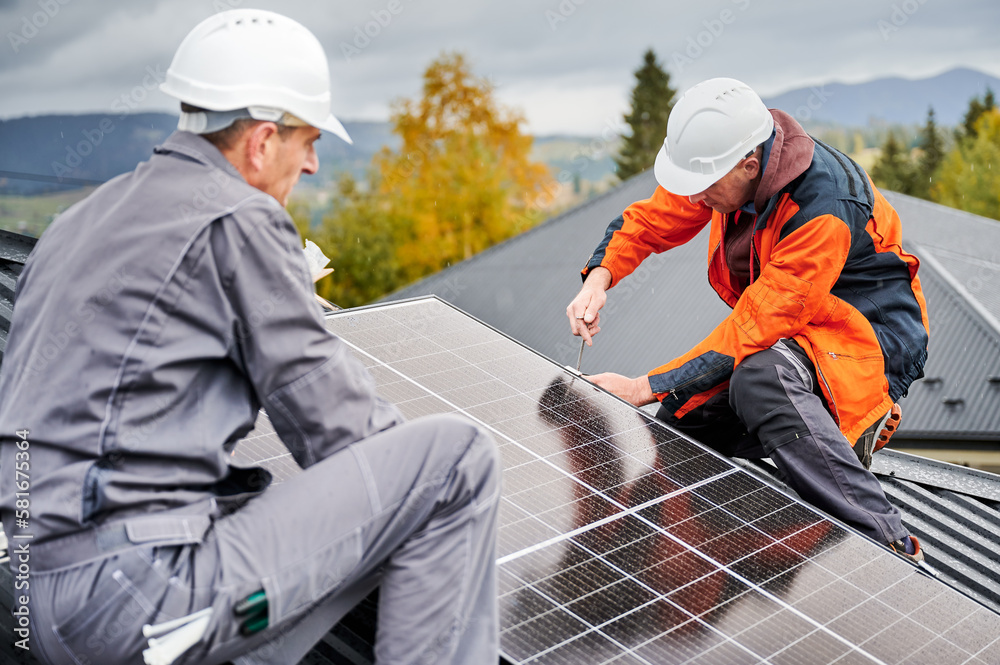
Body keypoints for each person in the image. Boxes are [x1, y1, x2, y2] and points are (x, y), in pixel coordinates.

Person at [0, 10, 499, 665]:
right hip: (123, 599)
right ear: (262, 143)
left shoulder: (78, 220)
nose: (315, 164)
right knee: (456, 461)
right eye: (309, 141)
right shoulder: (239, 217)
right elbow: (349, 435)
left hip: (24, 595)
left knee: (255, 505)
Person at [566, 77, 929, 563]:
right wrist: (599, 278)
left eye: (704, 190)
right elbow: (653, 219)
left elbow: (758, 327)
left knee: (759, 379)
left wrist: (639, 386)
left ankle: (889, 542)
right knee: (683, 416)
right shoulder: (724, 163)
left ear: (750, 165)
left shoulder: (825, 208)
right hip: (797, 323)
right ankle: (709, 543)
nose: (695, 202)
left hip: (864, 339)